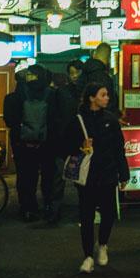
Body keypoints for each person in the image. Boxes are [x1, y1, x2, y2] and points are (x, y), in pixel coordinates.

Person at [65, 82, 129, 274]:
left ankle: (102, 244)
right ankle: (88, 256)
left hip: (108, 173)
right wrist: (80, 145)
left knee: (108, 213)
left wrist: (123, 174)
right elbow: (63, 144)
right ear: (92, 98)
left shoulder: (111, 119)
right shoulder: (78, 120)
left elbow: (119, 149)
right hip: (87, 175)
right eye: (103, 95)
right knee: (86, 216)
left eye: (107, 95)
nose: (107, 98)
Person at [3, 65, 57, 221]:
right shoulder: (51, 95)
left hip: (22, 144)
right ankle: (48, 206)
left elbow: (10, 120)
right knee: (48, 176)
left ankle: (28, 208)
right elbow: (55, 119)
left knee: (26, 176)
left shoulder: (14, 97)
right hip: (46, 143)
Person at [48, 59, 84, 224]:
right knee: (70, 179)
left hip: (72, 141)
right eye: (72, 73)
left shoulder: (65, 92)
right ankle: (57, 212)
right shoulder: (66, 92)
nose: (75, 76)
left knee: (63, 179)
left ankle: (57, 213)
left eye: (77, 72)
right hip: (67, 141)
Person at [78, 42, 119, 114]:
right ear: (109, 58)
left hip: (84, 116)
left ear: (94, 54)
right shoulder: (104, 77)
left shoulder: (83, 73)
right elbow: (108, 104)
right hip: (99, 118)